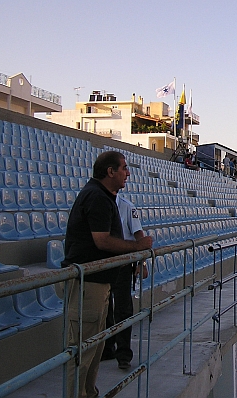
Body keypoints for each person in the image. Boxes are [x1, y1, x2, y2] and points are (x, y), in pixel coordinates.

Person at [63, 151, 153, 398]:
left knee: (95, 346)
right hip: (88, 284)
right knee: (83, 349)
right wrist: (138, 247)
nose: (128, 172)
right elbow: (102, 241)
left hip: (98, 283)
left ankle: (88, 393)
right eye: (123, 168)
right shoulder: (98, 198)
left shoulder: (104, 197)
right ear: (110, 171)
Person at [102, 194, 148, 370]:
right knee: (104, 308)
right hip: (104, 263)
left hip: (122, 264)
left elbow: (139, 237)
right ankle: (107, 348)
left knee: (122, 309)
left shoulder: (127, 207)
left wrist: (142, 263)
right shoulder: (100, 204)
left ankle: (123, 355)